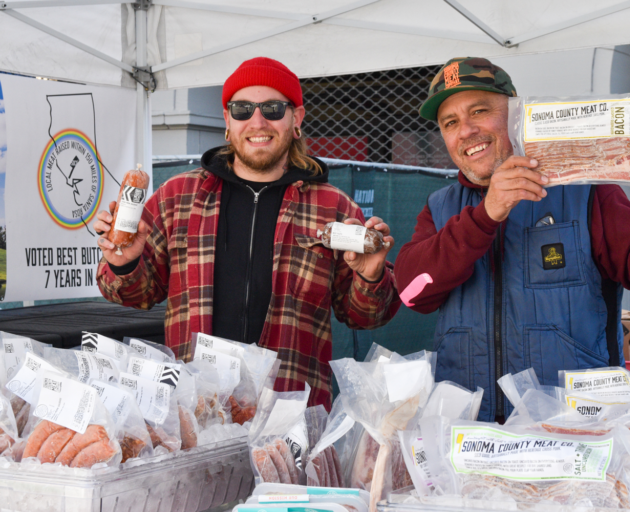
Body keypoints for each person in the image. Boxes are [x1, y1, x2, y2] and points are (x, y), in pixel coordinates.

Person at [394, 57, 630, 422]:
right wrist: (485, 215)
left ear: (516, 112)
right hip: (473, 437)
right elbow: (412, 292)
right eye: (450, 123)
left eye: (480, 111)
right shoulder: (440, 207)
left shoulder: (583, 189)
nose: (466, 130)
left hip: (574, 429)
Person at [95, 57, 401, 410]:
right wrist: (124, 265)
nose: (257, 121)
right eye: (242, 109)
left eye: (272, 108)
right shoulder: (177, 197)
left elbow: (366, 316)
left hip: (290, 417)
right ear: (227, 120)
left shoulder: (333, 207)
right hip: (195, 414)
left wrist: (371, 275)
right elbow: (134, 295)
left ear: (296, 118)